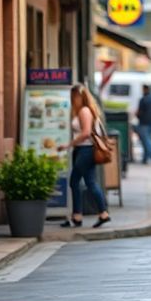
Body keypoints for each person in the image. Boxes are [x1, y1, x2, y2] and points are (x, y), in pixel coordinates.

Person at [58, 84, 110, 229]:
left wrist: (70, 144)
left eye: (73, 97)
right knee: (89, 182)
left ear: (79, 97)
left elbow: (86, 133)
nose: (72, 100)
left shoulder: (84, 111)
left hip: (85, 150)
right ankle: (98, 214)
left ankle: (80, 215)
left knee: (75, 182)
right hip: (84, 150)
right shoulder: (84, 110)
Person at [135, 85, 151, 164]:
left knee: (146, 141)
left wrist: (137, 116)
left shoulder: (143, 99)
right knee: (148, 139)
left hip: (144, 122)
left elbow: (139, 112)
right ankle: (145, 158)